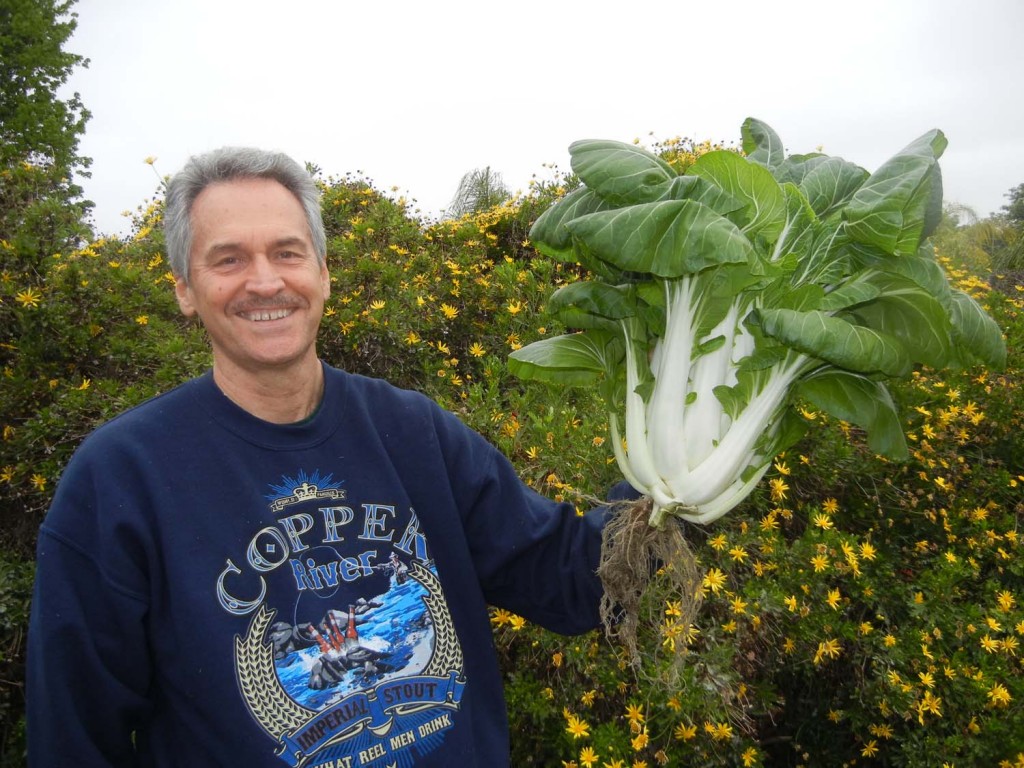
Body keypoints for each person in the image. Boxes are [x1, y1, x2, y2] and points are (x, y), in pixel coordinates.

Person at [26, 147, 625, 767]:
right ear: (184, 289)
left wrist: (684, 477)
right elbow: (73, 740)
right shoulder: (121, 477)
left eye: (287, 252)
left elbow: (570, 584)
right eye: (228, 259)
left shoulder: (413, 432)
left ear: (323, 272)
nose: (265, 281)